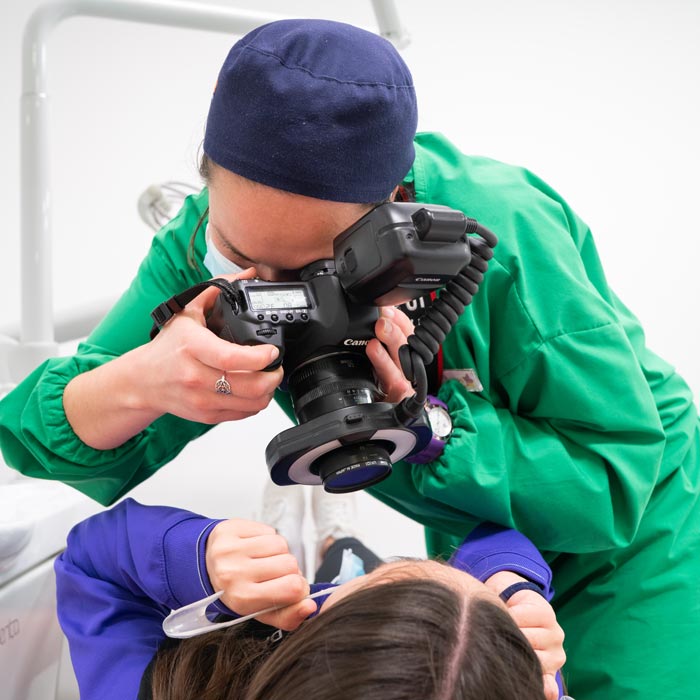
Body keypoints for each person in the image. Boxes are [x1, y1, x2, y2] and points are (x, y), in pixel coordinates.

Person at [0, 17, 698, 699]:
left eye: (310, 272)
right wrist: (141, 382)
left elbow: (613, 479)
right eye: (243, 259)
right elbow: (38, 440)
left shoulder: (503, 228)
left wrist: (430, 428)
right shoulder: (198, 246)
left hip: (636, 537)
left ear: (394, 213)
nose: (269, 290)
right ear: (207, 183)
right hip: (484, 533)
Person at [54, 497, 568, 700]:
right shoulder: (518, 679)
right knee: (346, 555)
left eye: (394, 575)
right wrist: (513, 584)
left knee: (315, 569)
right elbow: (497, 536)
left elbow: (90, 568)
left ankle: (289, 537)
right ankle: (332, 541)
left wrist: (198, 556)